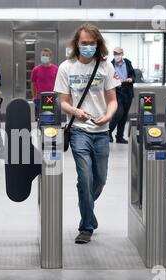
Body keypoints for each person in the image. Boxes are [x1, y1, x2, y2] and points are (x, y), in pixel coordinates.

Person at [54, 23, 120, 244]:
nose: (88, 47)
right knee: (85, 177)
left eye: (92, 43)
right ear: (77, 44)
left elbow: (112, 100)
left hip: (101, 131)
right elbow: (62, 102)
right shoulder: (66, 67)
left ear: (98, 44)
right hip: (78, 131)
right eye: (84, 43)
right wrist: (76, 111)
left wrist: (108, 116)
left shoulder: (105, 67)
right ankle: (86, 227)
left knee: (99, 179)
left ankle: (88, 211)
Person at [108, 47, 136, 144]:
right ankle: (108, 132)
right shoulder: (110, 64)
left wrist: (131, 79)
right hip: (117, 91)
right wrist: (116, 81)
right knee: (118, 113)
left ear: (122, 54)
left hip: (127, 90)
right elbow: (108, 78)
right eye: (115, 53)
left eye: (118, 53)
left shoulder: (127, 62)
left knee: (124, 115)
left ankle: (119, 137)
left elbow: (133, 75)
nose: (117, 55)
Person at [31, 48, 58, 120]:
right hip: (39, 98)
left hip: (52, 98)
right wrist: (34, 96)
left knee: (51, 118)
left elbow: (59, 84)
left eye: (47, 55)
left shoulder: (56, 69)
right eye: (43, 55)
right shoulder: (36, 70)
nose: (44, 57)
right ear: (40, 56)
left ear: (50, 57)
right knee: (40, 119)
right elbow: (33, 84)